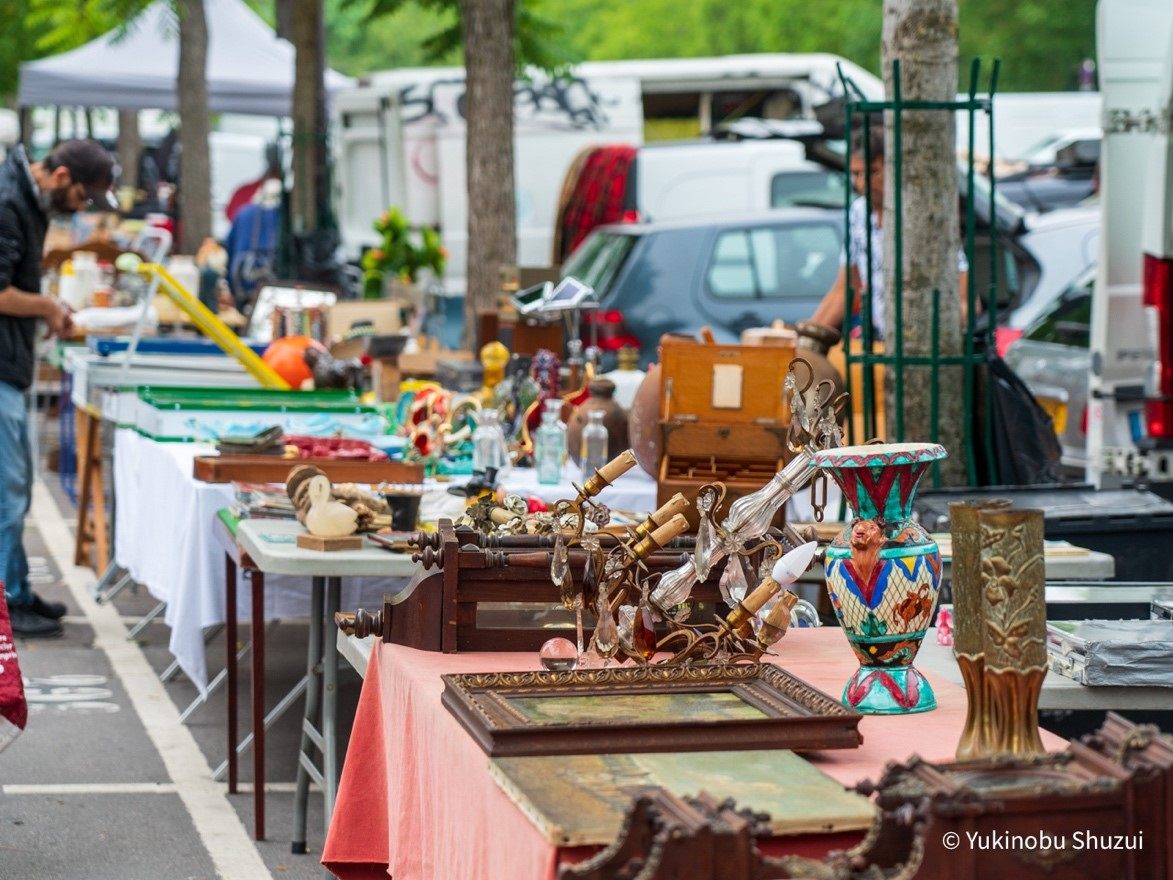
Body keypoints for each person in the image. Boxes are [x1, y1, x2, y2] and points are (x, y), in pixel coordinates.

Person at [0, 139, 116, 637]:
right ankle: (8, 604)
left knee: (14, 487)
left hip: (10, 360)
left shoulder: (27, 198)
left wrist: (44, 306)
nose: (83, 209)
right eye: (84, 197)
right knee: (10, 489)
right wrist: (48, 308)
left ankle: (17, 591)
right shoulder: (8, 202)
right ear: (62, 175)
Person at [809, 128, 969, 340]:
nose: (862, 182)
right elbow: (846, 290)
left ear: (894, 168)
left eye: (873, 172)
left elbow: (962, 297)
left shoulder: (922, 212)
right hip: (883, 342)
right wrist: (806, 338)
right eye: (856, 174)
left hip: (925, 344)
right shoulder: (858, 213)